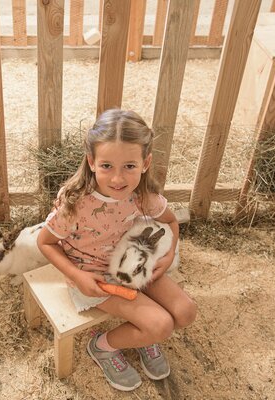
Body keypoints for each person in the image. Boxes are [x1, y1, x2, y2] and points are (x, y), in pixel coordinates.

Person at [37, 109, 197, 391]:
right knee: (160, 325)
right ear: (92, 161)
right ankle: (103, 346)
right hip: (95, 278)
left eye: (129, 166)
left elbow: (171, 222)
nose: (117, 179)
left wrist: (169, 254)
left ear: (145, 163)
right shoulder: (76, 203)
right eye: (107, 166)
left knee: (185, 313)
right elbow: (45, 243)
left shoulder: (144, 197)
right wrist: (78, 276)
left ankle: (142, 335)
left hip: (134, 262)